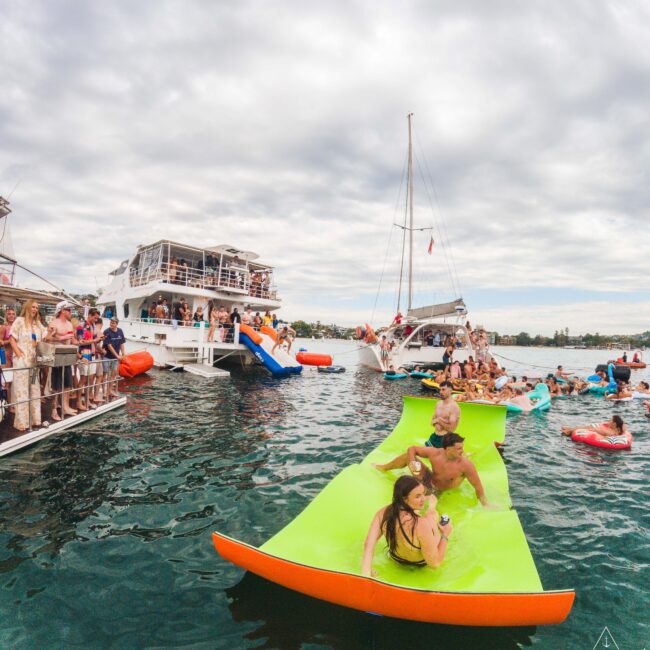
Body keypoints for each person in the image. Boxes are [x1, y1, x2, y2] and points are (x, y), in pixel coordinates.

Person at [362, 475, 452, 576]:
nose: (423, 498)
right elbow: (435, 564)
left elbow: (368, 545)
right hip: (420, 564)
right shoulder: (421, 524)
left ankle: (424, 505)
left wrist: (367, 574)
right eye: (418, 496)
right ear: (404, 499)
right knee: (431, 515)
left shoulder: (382, 513)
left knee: (416, 515)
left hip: (396, 558)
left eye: (423, 494)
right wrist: (445, 534)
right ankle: (432, 505)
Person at [374, 433, 490, 506]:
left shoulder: (465, 465)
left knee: (422, 506)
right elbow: (412, 449)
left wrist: (485, 503)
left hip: (438, 491)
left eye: (462, 448)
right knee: (407, 456)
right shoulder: (435, 453)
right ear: (448, 449)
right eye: (459, 448)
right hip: (428, 479)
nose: (462, 451)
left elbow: (477, 486)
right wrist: (413, 463)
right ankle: (383, 468)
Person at [9, 300, 48, 431]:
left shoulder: (37, 324)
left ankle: (35, 419)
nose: (35, 309)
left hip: (34, 362)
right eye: (33, 307)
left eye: (37, 307)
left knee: (35, 389)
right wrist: (19, 354)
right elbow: (12, 339)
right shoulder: (19, 320)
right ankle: (22, 423)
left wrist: (53, 331)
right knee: (22, 391)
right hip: (21, 361)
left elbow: (46, 335)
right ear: (27, 307)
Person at [48, 300, 78, 419]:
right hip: (57, 357)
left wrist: (83, 342)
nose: (71, 312)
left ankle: (65, 407)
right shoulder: (53, 323)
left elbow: (72, 340)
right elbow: (48, 338)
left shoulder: (70, 324)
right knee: (56, 385)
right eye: (69, 310)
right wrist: (62, 337)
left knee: (67, 384)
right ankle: (54, 410)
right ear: (62, 311)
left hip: (68, 356)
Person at [75, 308, 102, 411]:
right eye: (95, 318)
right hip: (84, 355)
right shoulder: (81, 326)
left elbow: (93, 341)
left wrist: (98, 340)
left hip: (92, 355)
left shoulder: (93, 326)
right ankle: (78, 402)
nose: (96, 320)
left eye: (97, 318)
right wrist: (94, 340)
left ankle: (87, 401)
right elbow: (80, 342)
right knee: (82, 379)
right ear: (90, 315)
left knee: (90, 380)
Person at [428, 381, 460, 448]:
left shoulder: (454, 407)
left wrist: (439, 421)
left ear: (450, 390)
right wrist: (436, 422)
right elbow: (432, 421)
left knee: (438, 457)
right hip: (434, 436)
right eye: (440, 389)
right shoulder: (438, 404)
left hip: (446, 439)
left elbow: (452, 429)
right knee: (419, 453)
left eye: (443, 389)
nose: (441, 392)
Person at [103, 317, 125, 399]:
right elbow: (109, 346)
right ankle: (104, 391)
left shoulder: (120, 331)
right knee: (104, 374)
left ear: (117, 324)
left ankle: (110, 390)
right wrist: (117, 356)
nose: (111, 324)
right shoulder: (106, 332)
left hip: (116, 358)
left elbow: (122, 343)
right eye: (111, 322)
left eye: (113, 323)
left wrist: (123, 353)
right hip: (107, 356)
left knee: (113, 374)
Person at [0, 306, 17, 407]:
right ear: (6, 315)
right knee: (7, 382)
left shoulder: (17, 327)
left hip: (15, 356)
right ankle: (8, 405)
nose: (11, 316)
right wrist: (10, 341)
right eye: (9, 314)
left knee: (11, 382)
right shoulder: (3, 327)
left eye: (13, 314)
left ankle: (9, 403)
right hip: (6, 356)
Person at [561, 415, 629, 439]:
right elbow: (623, 424)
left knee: (586, 428)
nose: (608, 421)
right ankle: (570, 429)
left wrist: (592, 429)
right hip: (600, 429)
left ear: (614, 424)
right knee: (586, 427)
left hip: (596, 432)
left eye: (610, 420)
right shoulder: (620, 429)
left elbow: (593, 430)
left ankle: (569, 431)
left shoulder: (609, 432)